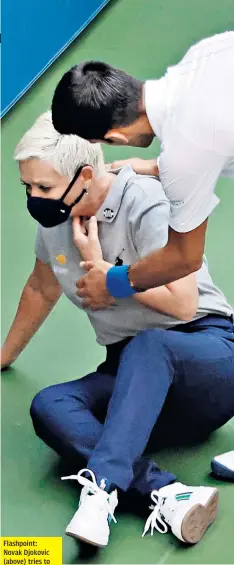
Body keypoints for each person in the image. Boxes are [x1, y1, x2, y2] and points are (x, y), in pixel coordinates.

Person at [2, 112, 234, 548]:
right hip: (138, 383)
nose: (35, 198)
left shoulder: (145, 201)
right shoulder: (55, 223)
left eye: (45, 188)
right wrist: (3, 357)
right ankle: (167, 492)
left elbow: (183, 304)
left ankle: (103, 491)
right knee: (51, 404)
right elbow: (40, 286)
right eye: (27, 187)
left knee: (150, 346)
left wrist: (113, 279)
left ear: (85, 176)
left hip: (208, 358)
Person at [51, 31, 234, 308]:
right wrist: (153, 167)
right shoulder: (205, 53)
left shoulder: (184, 152)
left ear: (115, 138)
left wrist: (112, 282)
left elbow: (185, 257)